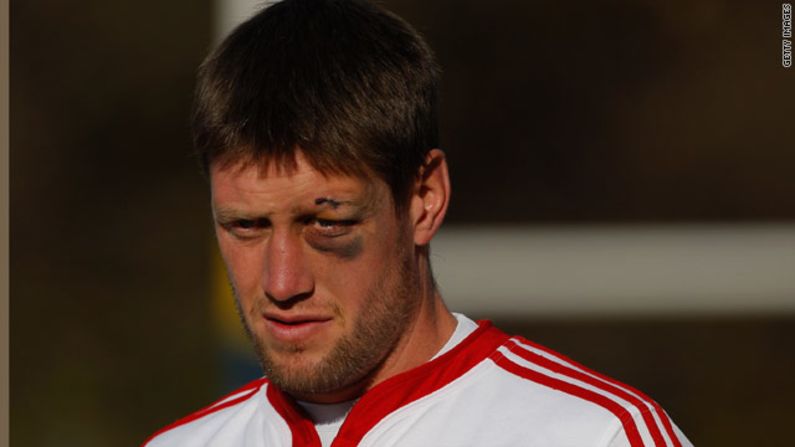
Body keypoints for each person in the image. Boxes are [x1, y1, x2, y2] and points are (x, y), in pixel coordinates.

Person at [144, 0, 693, 446]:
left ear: (424, 199)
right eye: (246, 226)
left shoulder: (598, 436)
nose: (282, 282)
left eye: (326, 223)